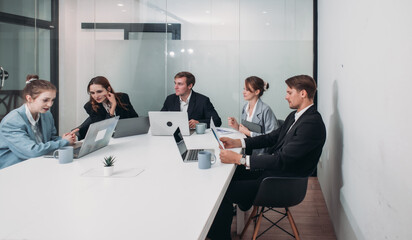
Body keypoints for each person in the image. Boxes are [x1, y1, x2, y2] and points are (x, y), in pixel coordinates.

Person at [207, 75, 327, 239]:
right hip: (272, 172)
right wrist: (239, 142)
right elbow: (271, 137)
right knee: (227, 178)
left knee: (223, 193)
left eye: (289, 92)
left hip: (280, 182)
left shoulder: (312, 123)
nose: (285, 96)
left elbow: (282, 160)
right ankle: (239, 207)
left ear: (303, 93)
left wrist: (239, 159)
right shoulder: (295, 116)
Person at [0, 78, 76, 169]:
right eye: (45, 100)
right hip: (13, 169)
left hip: (37, 163)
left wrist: (66, 138)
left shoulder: (46, 115)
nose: (50, 104)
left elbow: (51, 139)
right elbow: (32, 151)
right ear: (29, 98)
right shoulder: (12, 122)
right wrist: (64, 142)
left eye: (52, 100)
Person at [228, 76, 279, 155]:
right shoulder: (245, 107)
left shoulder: (266, 110)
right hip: (246, 150)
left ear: (257, 92)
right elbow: (245, 132)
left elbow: (272, 138)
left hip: (260, 154)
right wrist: (237, 127)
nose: (244, 92)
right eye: (244, 89)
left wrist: (249, 133)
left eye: (247, 90)